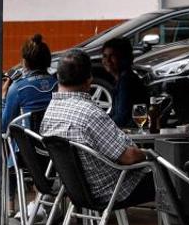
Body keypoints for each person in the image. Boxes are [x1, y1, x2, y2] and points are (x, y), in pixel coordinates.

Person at [41, 49, 153, 206]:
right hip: (113, 189)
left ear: (58, 77)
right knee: (171, 177)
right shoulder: (90, 113)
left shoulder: (51, 111)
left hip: (78, 188)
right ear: (89, 79)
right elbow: (129, 157)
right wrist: (150, 155)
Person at [1, 34, 57, 131]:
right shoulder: (58, 84)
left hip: (26, 145)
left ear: (25, 62)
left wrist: (3, 96)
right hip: (54, 143)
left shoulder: (17, 88)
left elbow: (3, 125)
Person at [101, 37, 148, 127]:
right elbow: (114, 113)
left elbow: (122, 117)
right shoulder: (122, 79)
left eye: (112, 56)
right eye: (105, 56)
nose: (107, 60)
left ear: (124, 58)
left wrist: (102, 128)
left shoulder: (127, 82)